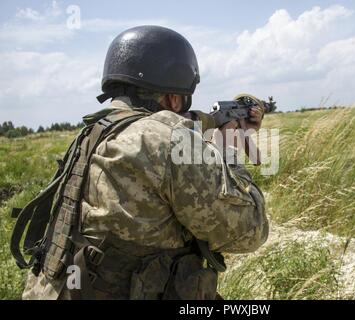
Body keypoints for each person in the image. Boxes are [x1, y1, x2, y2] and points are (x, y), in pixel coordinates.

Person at [20, 25, 268, 300]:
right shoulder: (168, 140)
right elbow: (250, 231)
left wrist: (211, 123)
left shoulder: (94, 131)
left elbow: (175, 123)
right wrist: (228, 150)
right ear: (174, 98)